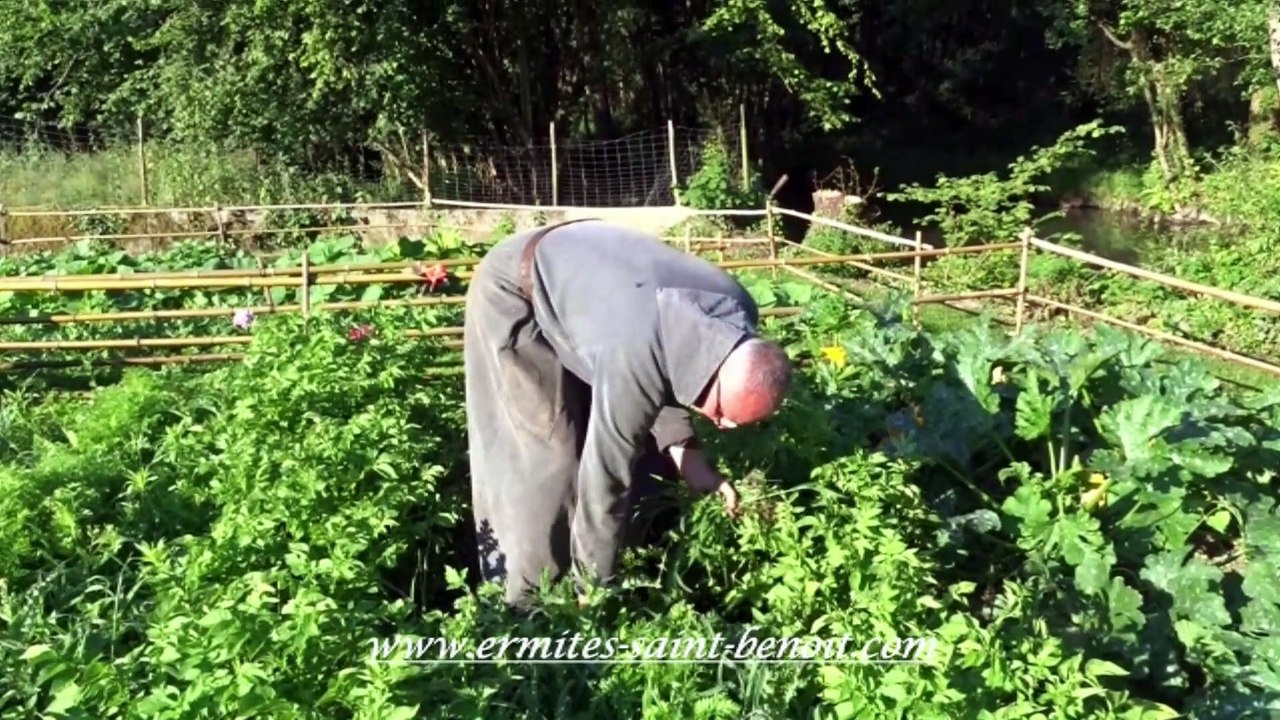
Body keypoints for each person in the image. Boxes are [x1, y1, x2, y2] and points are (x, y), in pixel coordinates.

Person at [462, 219, 792, 606]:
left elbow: (676, 359)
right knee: (549, 457)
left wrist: (692, 462)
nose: (721, 424)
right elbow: (607, 479)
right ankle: (525, 610)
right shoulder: (633, 351)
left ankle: (633, 560)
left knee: (644, 453)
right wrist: (593, 589)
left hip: (596, 281)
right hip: (518, 285)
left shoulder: (737, 312)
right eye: (720, 411)